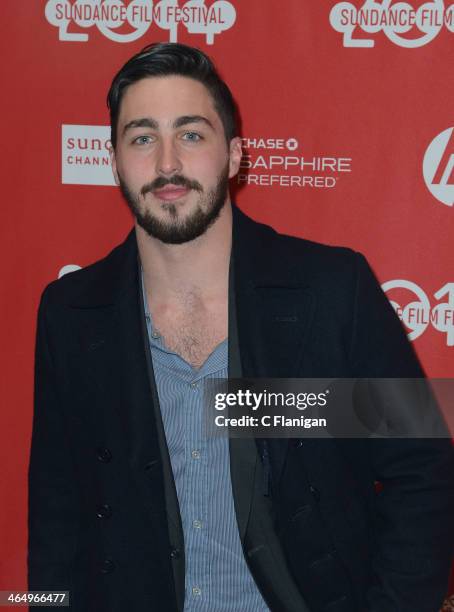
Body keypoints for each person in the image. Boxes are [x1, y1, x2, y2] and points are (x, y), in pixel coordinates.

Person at [28, 42, 453, 612]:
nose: (168, 164)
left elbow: (422, 470)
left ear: (233, 156)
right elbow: (56, 515)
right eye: (143, 137)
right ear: (115, 161)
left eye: (192, 134)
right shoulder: (71, 313)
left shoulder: (330, 290)